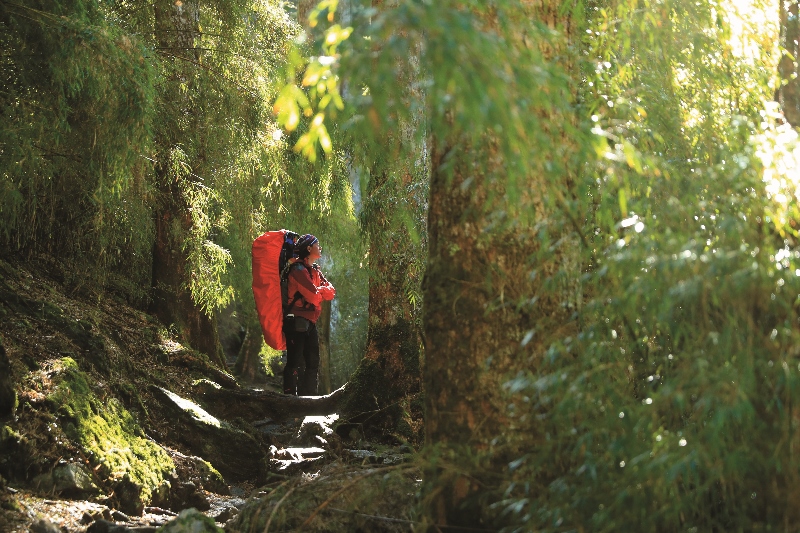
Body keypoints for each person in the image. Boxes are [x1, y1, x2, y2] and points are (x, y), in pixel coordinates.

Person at [283, 234, 335, 396]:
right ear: (308, 248)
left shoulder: (315, 271)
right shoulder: (298, 270)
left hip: (310, 322)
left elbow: (331, 292)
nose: (320, 248)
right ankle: (290, 400)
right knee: (294, 362)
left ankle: (310, 400)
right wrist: (319, 292)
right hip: (295, 321)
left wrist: (318, 291)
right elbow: (313, 296)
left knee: (313, 363)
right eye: (317, 244)